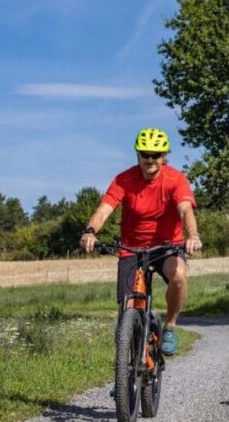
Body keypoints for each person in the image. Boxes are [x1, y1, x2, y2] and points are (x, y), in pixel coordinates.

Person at [80, 128, 202, 356]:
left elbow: (185, 211)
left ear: (164, 156)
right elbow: (103, 211)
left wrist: (192, 236)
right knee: (126, 311)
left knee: (179, 274)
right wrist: (90, 231)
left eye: (155, 155)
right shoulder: (124, 179)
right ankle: (124, 370)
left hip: (167, 246)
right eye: (144, 154)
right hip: (132, 248)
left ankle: (170, 327)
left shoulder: (176, 180)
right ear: (138, 155)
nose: (150, 160)